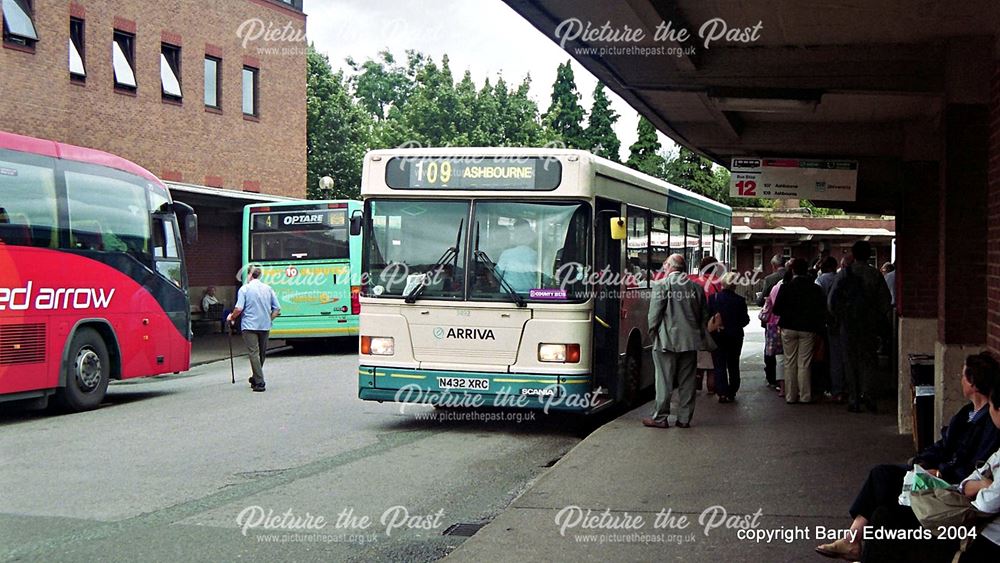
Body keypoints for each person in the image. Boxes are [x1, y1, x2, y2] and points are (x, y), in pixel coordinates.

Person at [814, 352, 1000, 561]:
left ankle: (853, 541)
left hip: (950, 490)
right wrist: (922, 461)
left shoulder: (989, 429)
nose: (959, 379)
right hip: (944, 477)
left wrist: (941, 472)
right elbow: (944, 445)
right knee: (882, 483)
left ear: (973, 383)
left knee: (883, 504)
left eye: (963, 375)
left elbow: (976, 476)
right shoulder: (966, 413)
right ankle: (852, 540)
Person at [644, 254, 711, 429]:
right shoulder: (696, 288)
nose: (664, 268)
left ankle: (660, 418)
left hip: (666, 341)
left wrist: (654, 336)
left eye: (665, 265)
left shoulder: (662, 285)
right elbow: (704, 316)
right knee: (687, 381)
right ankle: (684, 418)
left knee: (664, 381)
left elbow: (653, 317)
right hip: (690, 342)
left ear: (669, 267)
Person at [829, 241, 892, 413]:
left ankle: (854, 399)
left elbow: (831, 301)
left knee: (850, 362)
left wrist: (840, 318)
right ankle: (869, 396)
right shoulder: (875, 274)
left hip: (848, 325)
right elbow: (886, 302)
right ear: (869, 255)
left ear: (854, 255)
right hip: (868, 326)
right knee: (869, 362)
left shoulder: (844, 274)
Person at [773, 258, 828, 404]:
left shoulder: (785, 287)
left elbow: (776, 309)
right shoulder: (815, 289)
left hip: (788, 328)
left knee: (789, 362)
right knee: (804, 363)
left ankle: (790, 396)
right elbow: (822, 310)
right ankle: (805, 396)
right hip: (808, 329)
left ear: (792, 270)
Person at [227, 266, 280, 392]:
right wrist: (269, 319)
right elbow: (277, 309)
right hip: (264, 325)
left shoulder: (244, 289)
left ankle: (260, 382)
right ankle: (256, 377)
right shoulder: (268, 288)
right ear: (259, 275)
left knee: (254, 353)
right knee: (261, 353)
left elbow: (239, 308)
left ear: (250, 275)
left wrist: (232, 317)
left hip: (249, 326)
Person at [708, 273, 750, 403]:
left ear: (722, 284)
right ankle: (732, 390)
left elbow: (707, 316)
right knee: (733, 363)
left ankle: (722, 392)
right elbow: (745, 320)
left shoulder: (713, 298)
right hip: (735, 336)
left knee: (719, 364)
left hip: (718, 335)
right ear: (735, 285)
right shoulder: (740, 300)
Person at [691, 256, 723, 394]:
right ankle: (711, 389)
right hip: (713, 326)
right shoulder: (718, 283)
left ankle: (696, 385)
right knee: (712, 362)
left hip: (697, 326)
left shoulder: (695, 283)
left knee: (698, 359)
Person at [758, 254, 787, 388]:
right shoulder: (790, 276)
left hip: (772, 321)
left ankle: (772, 377)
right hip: (788, 319)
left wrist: (760, 299)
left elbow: (762, 300)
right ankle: (784, 379)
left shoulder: (770, 279)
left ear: (774, 266)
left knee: (771, 349)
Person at [495, 219, 539, 294]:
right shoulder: (536, 255)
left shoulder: (506, 254)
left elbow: (497, 275)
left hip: (508, 297)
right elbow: (544, 278)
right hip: (530, 297)